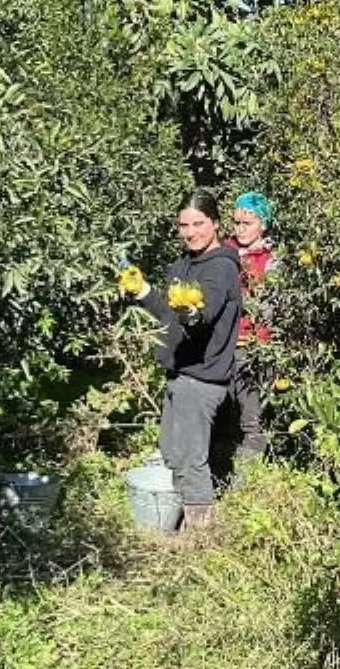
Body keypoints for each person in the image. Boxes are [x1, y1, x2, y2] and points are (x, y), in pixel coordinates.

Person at [119, 189, 242, 530]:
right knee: (173, 454)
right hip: (179, 373)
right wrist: (142, 291)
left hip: (201, 380)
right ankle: (180, 528)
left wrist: (193, 312)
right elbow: (167, 318)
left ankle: (200, 539)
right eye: (183, 225)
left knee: (190, 462)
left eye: (198, 224)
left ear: (215, 224)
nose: (190, 232)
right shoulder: (182, 264)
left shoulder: (220, 268)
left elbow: (204, 315)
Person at [223, 192, 277, 463]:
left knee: (251, 413)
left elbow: (272, 305)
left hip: (253, 344)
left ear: (263, 224)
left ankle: (246, 474)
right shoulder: (223, 251)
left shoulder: (271, 260)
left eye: (247, 223)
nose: (240, 229)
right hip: (222, 342)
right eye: (236, 223)